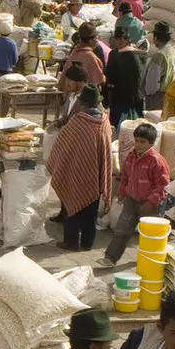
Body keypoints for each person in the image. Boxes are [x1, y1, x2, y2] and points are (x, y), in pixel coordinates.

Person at [48, 86, 114, 252]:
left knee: (72, 206)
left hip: (76, 171)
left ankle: (71, 242)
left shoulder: (78, 121)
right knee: (91, 212)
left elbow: (62, 143)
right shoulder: (105, 122)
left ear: (82, 104)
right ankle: (87, 243)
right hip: (95, 174)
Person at [103, 121, 170, 264]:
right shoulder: (131, 157)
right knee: (121, 230)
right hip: (131, 200)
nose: (138, 144)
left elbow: (162, 185)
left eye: (143, 142)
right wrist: (121, 192)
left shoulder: (156, 161)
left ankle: (152, 260)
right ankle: (110, 258)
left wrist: (152, 201)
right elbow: (125, 176)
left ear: (151, 143)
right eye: (137, 141)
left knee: (149, 234)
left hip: (150, 204)